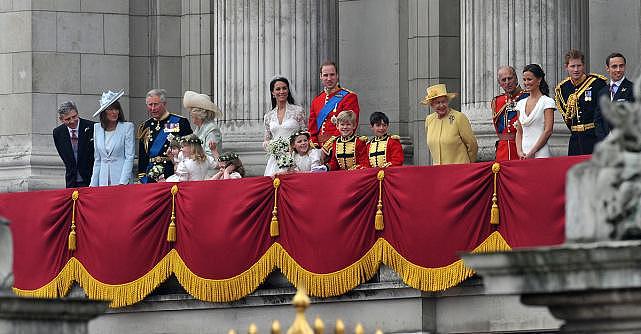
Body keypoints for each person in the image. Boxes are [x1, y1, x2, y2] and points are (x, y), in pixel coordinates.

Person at [554, 49, 608, 155]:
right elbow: (567, 118)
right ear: (566, 67)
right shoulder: (563, 88)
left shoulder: (597, 84)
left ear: (583, 66)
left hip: (594, 138)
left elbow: (604, 114)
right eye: (572, 66)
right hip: (575, 140)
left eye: (579, 66)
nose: (576, 70)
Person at [137, 88, 193, 183]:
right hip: (151, 174)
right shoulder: (145, 126)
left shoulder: (180, 122)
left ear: (164, 104)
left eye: (156, 104)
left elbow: (189, 150)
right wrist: (142, 176)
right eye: (150, 105)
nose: (153, 108)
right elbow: (142, 155)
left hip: (172, 171)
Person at [308, 61, 360, 148]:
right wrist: (315, 147)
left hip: (340, 147)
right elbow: (312, 128)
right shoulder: (317, 100)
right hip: (319, 149)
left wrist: (327, 148)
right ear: (321, 77)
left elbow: (349, 125)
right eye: (325, 75)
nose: (329, 78)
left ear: (337, 76)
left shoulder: (349, 97)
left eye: (332, 75)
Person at [422, 84, 478, 165]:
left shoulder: (459, 117)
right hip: (439, 171)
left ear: (447, 101)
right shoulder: (429, 120)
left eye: (444, 101)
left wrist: (467, 164)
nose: (441, 105)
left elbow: (472, 145)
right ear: (432, 105)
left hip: (459, 170)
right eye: (437, 102)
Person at [89, 90, 135, 186]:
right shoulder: (97, 128)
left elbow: (129, 157)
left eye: (116, 109)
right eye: (110, 109)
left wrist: (123, 182)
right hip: (103, 181)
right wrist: (93, 184)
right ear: (104, 112)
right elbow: (98, 159)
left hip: (121, 180)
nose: (114, 112)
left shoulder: (127, 127)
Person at [263, 76, 307, 176]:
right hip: (275, 159)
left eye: (284, 88)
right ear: (273, 93)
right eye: (278, 89)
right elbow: (266, 139)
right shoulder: (268, 116)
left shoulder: (298, 111)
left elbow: (305, 133)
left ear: (288, 90)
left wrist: (293, 147)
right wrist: (273, 147)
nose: (281, 91)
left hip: (295, 156)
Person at [515, 64, 555, 159]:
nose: (526, 83)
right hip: (524, 155)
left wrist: (533, 152)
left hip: (541, 153)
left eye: (529, 79)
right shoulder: (520, 104)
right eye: (524, 80)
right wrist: (519, 152)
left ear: (539, 80)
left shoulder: (547, 102)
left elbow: (548, 131)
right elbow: (519, 131)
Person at [53, 101, 95, 188]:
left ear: (77, 113)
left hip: (91, 180)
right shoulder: (58, 133)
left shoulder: (92, 127)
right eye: (68, 119)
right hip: (72, 181)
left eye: (74, 116)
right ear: (61, 119)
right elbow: (65, 157)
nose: (72, 121)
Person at [490, 66, 529, 161]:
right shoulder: (497, 101)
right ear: (499, 83)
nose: (507, 82)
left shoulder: (527, 97)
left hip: (522, 149)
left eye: (510, 78)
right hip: (502, 151)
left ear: (516, 78)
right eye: (503, 80)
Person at [594, 52, 636, 140]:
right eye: (614, 66)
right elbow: (598, 120)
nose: (618, 70)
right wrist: (604, 139)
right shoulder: (602, 92)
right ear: (607, 68)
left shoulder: (633, 89)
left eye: (621, 66)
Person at [183, 91, 223, 165]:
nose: (191, 118)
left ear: (199, 116)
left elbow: (210, 156)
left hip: (208, 172)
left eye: (192, 116)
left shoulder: (212, 130)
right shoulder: (199, 128)